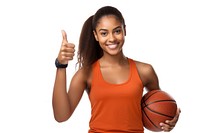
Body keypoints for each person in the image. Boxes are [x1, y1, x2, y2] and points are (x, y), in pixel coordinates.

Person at [52, 6, 181, 133]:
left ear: (125, 30)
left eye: (117, 31)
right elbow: (61, 116)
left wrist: (168, 122)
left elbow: (158, 111)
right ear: (96, 36)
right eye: (104, 33)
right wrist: (61, 66)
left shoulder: (145, 71)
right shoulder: (86, 74)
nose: (112, 38)